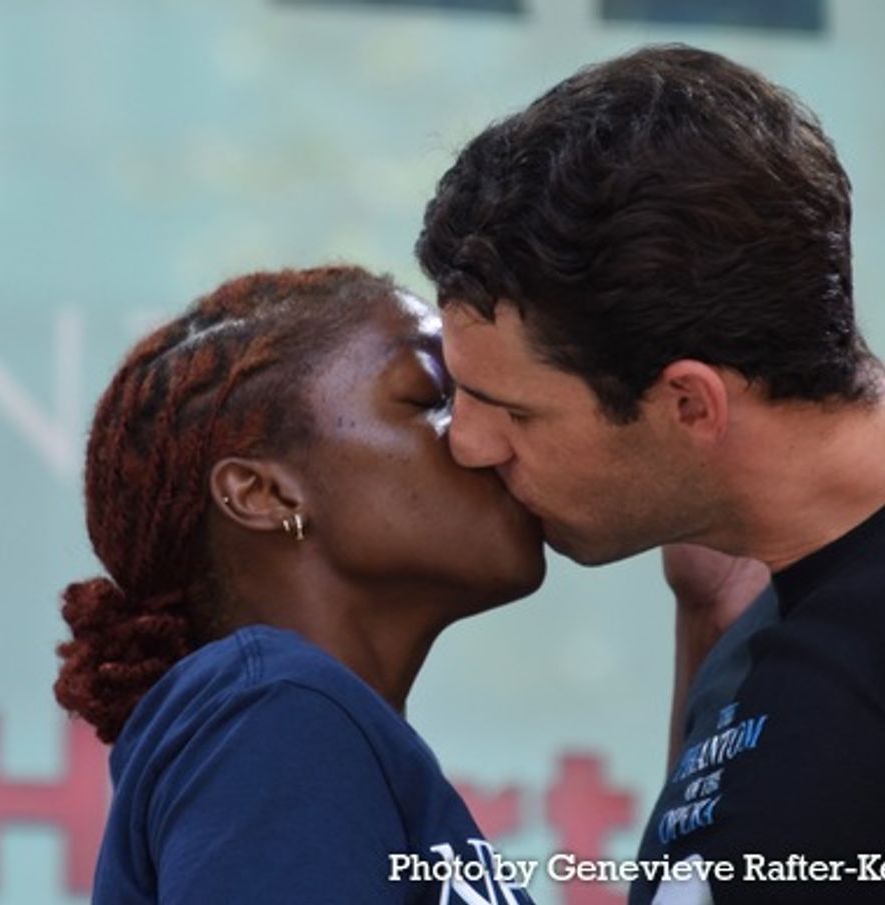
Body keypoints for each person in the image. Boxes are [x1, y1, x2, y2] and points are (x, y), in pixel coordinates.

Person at [415, 44, 885, 904]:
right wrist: (706, 626)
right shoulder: (755, 611)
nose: (470, 443)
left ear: (691, 403)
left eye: (513, 410)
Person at [53, 266, 543, 904]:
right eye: (431, 396)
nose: (484, 438)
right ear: (264, 494)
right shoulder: (275, 717)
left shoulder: (296, 724)